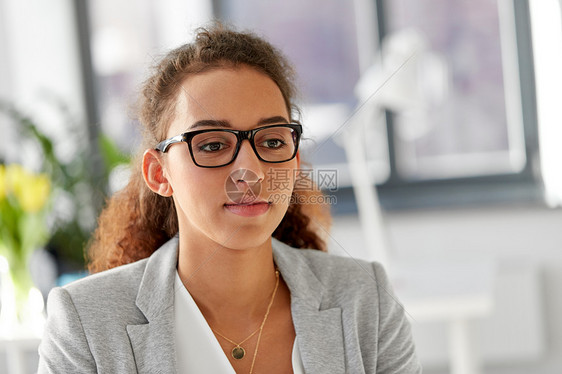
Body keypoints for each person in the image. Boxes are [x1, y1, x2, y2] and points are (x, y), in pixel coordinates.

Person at [38, 24, 421, 373]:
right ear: (159, 173)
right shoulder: (84, 324)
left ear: (296, 160)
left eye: (272, 141)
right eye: (213, 145)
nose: (250, 171)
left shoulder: (365, 300)